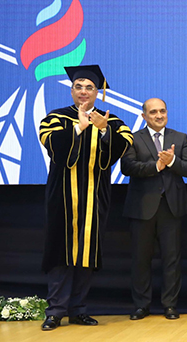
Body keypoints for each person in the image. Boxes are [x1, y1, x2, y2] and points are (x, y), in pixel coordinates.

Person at [38, 65, 133, 331]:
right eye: (78, 86)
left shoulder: (112, 121)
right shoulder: (56, 117)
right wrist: (78, 129)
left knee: (87, 253)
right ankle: (55, 311)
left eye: (89, 87)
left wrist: (103, 131)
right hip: (62, 196)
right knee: (61, 251)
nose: (83, 91)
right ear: (71, 91)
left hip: (95, 196)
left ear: (97, 93)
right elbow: (51, 145)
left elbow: (124, 145)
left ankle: (78, 310)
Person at [121, 98, 187, 321]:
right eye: (153, 112)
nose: (159, 115)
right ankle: (141, 306)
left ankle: (170, 305)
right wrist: (156, 166)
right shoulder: (133, 138)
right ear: (144, 116)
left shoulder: (180, 138)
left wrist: (172, 162)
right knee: (141, 259)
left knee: (171, 259)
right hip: (142, 207)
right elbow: (127, 167)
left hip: (171, 207)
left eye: (162, 111)